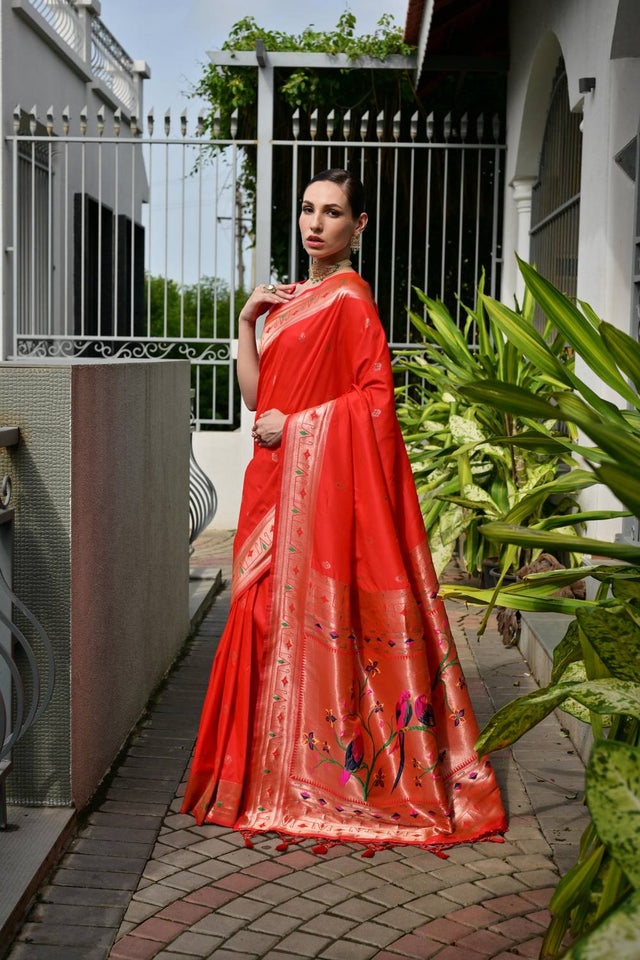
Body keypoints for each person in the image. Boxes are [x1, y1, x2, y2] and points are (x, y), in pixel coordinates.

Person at [181, 169, 507, 852]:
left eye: (332, 213)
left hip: (309, 482)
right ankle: (250, 779)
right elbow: (253, 397)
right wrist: (247, 322)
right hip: (271, 485)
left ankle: (304, 778)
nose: (315, 223)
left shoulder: (351, 300)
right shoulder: (289, 302)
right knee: (254, 618)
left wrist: (297, 428)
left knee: (289, 623)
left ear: (358, 227)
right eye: (307, 209)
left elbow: (375, 401)